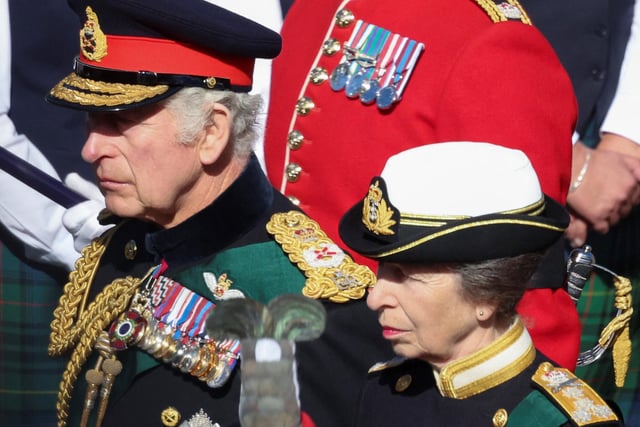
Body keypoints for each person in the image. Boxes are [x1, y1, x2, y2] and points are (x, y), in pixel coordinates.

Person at [44, 1, 390, 426]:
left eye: (120, 122)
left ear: (212, 132)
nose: (91, 149)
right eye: (92, 121)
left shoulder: (309, 306)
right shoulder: (126, 246)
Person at [264, 0, 580, 370]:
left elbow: (518, 275)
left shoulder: (491, 38)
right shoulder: (314, 8)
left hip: (399, 360)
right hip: (292, 345)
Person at [338, 141, 623, 426]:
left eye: (405, 276)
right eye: (383, 270)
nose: (375, 298)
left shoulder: (554, 421)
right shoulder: (383, 390)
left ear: (487, 295)